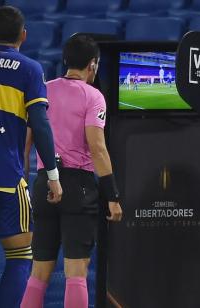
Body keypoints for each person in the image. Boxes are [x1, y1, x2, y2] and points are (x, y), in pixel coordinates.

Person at [0, 6, 63, 308]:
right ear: (23, 35)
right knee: (20, 258)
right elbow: (41, 125)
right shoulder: (29, 69)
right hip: (6, 176)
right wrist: (53, 176)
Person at [21, 34, 123, 308]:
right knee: (76, 270)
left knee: (39, 271)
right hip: (78, 187)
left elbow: (26, 144)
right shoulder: (94, 97)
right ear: (93, 65)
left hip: (44, 184)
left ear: (66, 60)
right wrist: (112, 195)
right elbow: (98, 148)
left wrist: (25, 182)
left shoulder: (43, 89)